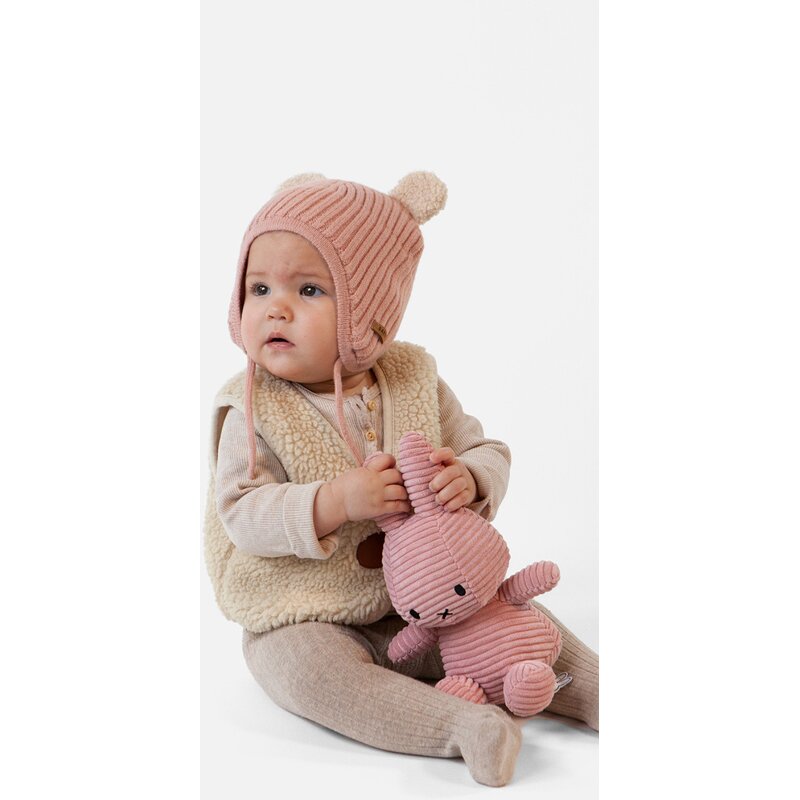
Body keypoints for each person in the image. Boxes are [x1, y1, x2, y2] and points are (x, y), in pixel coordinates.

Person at [203, 172, 598, 787]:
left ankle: (593, 690)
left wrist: (471, 477)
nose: (276, 308)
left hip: (429, 602)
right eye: (259, 288)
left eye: (309, 289)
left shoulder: (412, 377)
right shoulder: (253, 407)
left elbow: (485, 448)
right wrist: (334, 501)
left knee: (511, 617)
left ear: (372, 314)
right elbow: (240, 512)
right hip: (306, 611)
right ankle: (464, 727)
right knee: (307, 673)